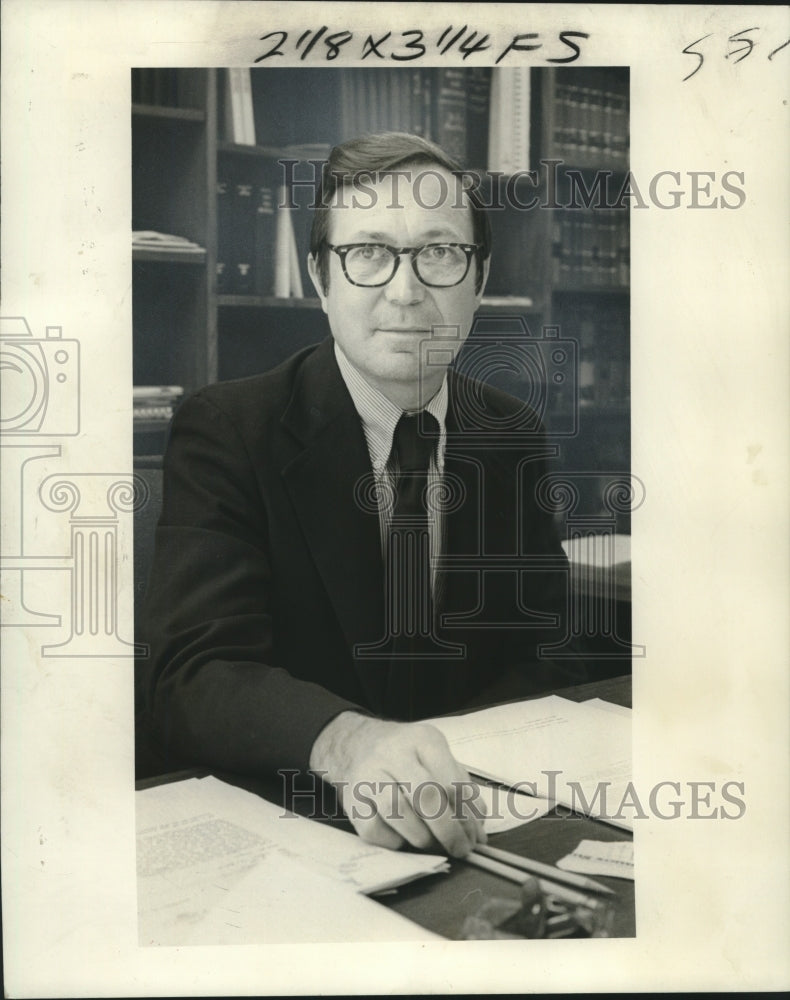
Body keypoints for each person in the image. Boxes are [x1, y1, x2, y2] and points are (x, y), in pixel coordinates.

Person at [140, 132, 583, 860]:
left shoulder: (511, 433)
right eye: (368, 252)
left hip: (471, 823)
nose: (405, 292)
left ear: (478, 278)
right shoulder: (228, 430)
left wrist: (458, 768)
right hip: (287, 829)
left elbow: (547, 648)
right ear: (322, 278)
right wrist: (348, 744)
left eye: (438, 253)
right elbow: (191, 673)